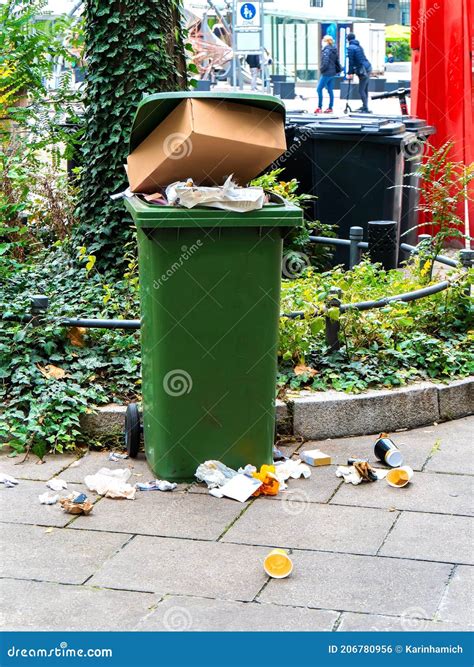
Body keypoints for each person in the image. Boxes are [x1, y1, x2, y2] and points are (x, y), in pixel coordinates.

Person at [346, 32, 372, 113]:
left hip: (363, 70)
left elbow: (351, 61)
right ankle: (365, 106)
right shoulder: (358, 46)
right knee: (365, 89)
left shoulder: (350, 48)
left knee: (361, 90)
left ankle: (365, 108)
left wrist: (350, 73)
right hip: (368, 67)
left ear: (348, 39)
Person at [315, 35, 341, 113]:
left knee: (319, 89)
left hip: (326, 73)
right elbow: (337, 62)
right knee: (330, 90)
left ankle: (319, 107)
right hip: (332, 73)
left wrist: (321, 69)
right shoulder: (334, 50)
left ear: (326, 41)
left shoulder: (326, 50)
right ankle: (330, 107)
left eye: (323, 40)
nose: (322, 42)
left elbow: (325, 62)